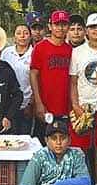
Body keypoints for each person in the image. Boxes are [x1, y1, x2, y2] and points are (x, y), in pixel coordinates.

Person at [69, 12, 97, 185]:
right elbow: (73, 81)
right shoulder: (77, 52)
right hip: (84, 106)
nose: (96, 30)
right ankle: (81, 182)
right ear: (87, 30)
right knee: (79, 148)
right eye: (93, 27)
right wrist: (76, 105)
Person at [30, 11, 72, 142]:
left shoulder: (71, 50)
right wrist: (38, 102)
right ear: (50, 26)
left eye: (64, 24)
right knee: (43, 144)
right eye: (57, 24)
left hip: (65, 106)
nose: (60, 28)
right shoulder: (41, 47)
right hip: (46, 105)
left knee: (63, 144)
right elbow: (33, 75)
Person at [0, 24, 34, 135]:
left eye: (26, 33)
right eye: (19, 33)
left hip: (26, 102)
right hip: (8, 103)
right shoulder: (6, 53)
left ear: (30, 36)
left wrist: (31, 104)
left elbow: (37, 80)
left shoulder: (35, 53)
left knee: (25, 136)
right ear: (14, 36)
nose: (22, 36)